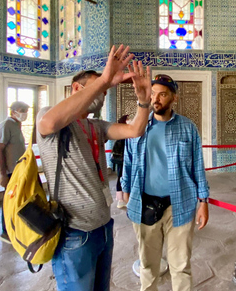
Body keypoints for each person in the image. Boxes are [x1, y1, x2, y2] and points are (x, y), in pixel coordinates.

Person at [37, 45, 151, 291]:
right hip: (74, 233)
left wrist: (143, 102)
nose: (104, 93)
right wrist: (105, 81)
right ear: (77, 88)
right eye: (100, 87)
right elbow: (48, 123)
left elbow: (135, 130)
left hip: (103, 226)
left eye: (106, 89)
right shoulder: (50, 117)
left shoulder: (95, 126)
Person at [121, 74, 210, 291]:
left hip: (180, 205)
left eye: (162, 94)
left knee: (180, 266)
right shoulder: (137, 126)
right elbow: (128, 162)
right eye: (152, 94)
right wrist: (125, 191)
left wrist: (203, 201)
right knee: (148, 266)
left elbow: (197, 165)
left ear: (174, 98)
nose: (156, 99)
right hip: (144, 206)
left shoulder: (188, 128)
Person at [0, 101, 29, 243]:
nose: (24, 113)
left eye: (26, 110)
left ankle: (17, 228)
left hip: (18, 170)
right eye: (22, 110)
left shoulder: (16, 125)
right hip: (9, 172)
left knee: (18, 200)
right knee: (9, 201)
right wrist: (2, 174)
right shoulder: (6, 125)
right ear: (13, 111)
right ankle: (6, 232)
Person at [111, 114, 128, 209]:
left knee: (121, 178)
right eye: (128, 119)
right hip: (122, 160)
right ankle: (121, 200)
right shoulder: (123, 134)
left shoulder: (122, 133)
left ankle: (121, 199)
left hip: (123, 160)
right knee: (121, 178)